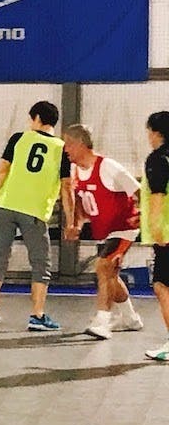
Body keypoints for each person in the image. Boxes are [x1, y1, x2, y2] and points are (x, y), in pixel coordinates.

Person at [0, 100, 74, 330]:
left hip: (6, 205)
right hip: (34, 211)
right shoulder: (61, 149)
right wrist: (71, 220)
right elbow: (67, 187)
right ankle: (37, 314)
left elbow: (2, 171)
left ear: (37, 118)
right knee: (40, 263)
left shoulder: (18, 139)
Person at [63, 123, 143, 340]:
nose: (65, 149)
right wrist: (76, 224)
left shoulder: (108, 167)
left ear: (81, 144)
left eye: (68, 144)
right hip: (104, 232)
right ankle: (130, 318)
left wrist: (143, 215)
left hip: (123, 228)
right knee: (111, 275)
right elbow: (82, 203)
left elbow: (139, 191)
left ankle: (102, 321)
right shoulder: (76, 171)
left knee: (103, 267)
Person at [141, 111, 169, 361]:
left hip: (167, 234)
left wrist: (157, 229)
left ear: (156, 132)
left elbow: (158, 196)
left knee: (162, 286)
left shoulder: (158, 159)